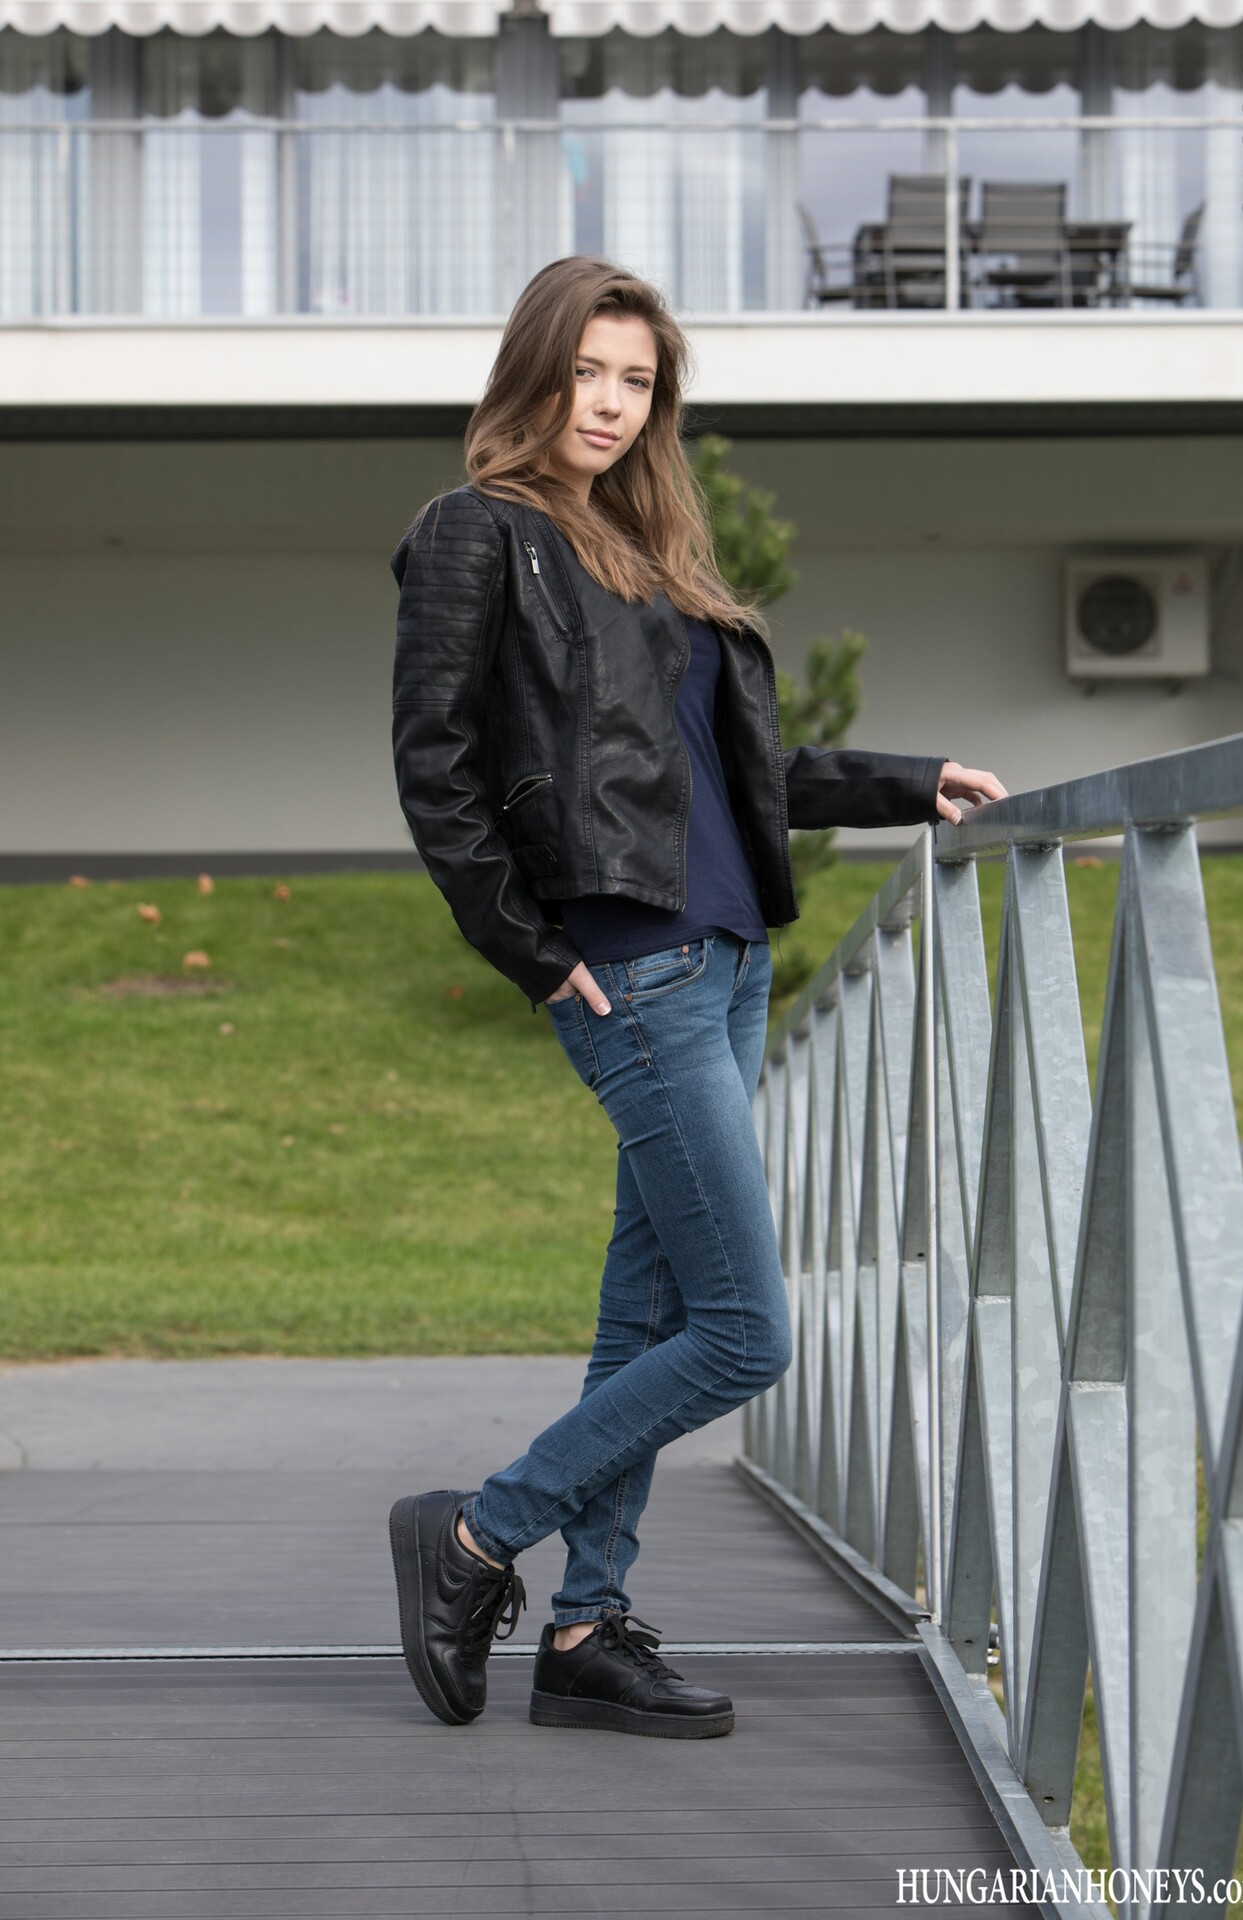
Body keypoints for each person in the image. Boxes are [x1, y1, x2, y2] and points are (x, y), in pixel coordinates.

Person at [387, 255, 1007, 1743]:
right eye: (585, 372)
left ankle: (585, 1626)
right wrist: (530, 950)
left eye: (636, 381)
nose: (609, 404)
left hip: (722, 963)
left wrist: (900, 780)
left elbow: (734, 778)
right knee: (744, 1332)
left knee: (647, 1317)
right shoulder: (480, 532)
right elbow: (437, 766)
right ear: (533, 372)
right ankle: (477, 1534)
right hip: (630, 969)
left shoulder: (650, 552)